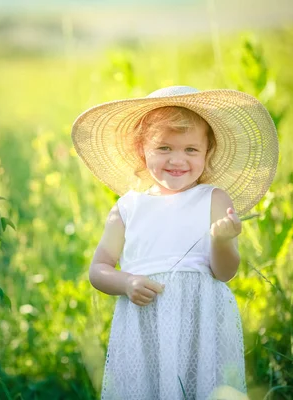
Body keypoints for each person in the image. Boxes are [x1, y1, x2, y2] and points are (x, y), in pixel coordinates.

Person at [71, 86, 279, 399]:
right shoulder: (128, 207)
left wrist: (222, 241)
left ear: (207, 152)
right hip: (144, 326)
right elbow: (99, 269)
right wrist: (126, 282)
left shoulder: (213, 199)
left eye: (190, 150)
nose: (177, 160)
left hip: (201, 321)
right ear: (143, 150)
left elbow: (224, 272)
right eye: (164, 148)